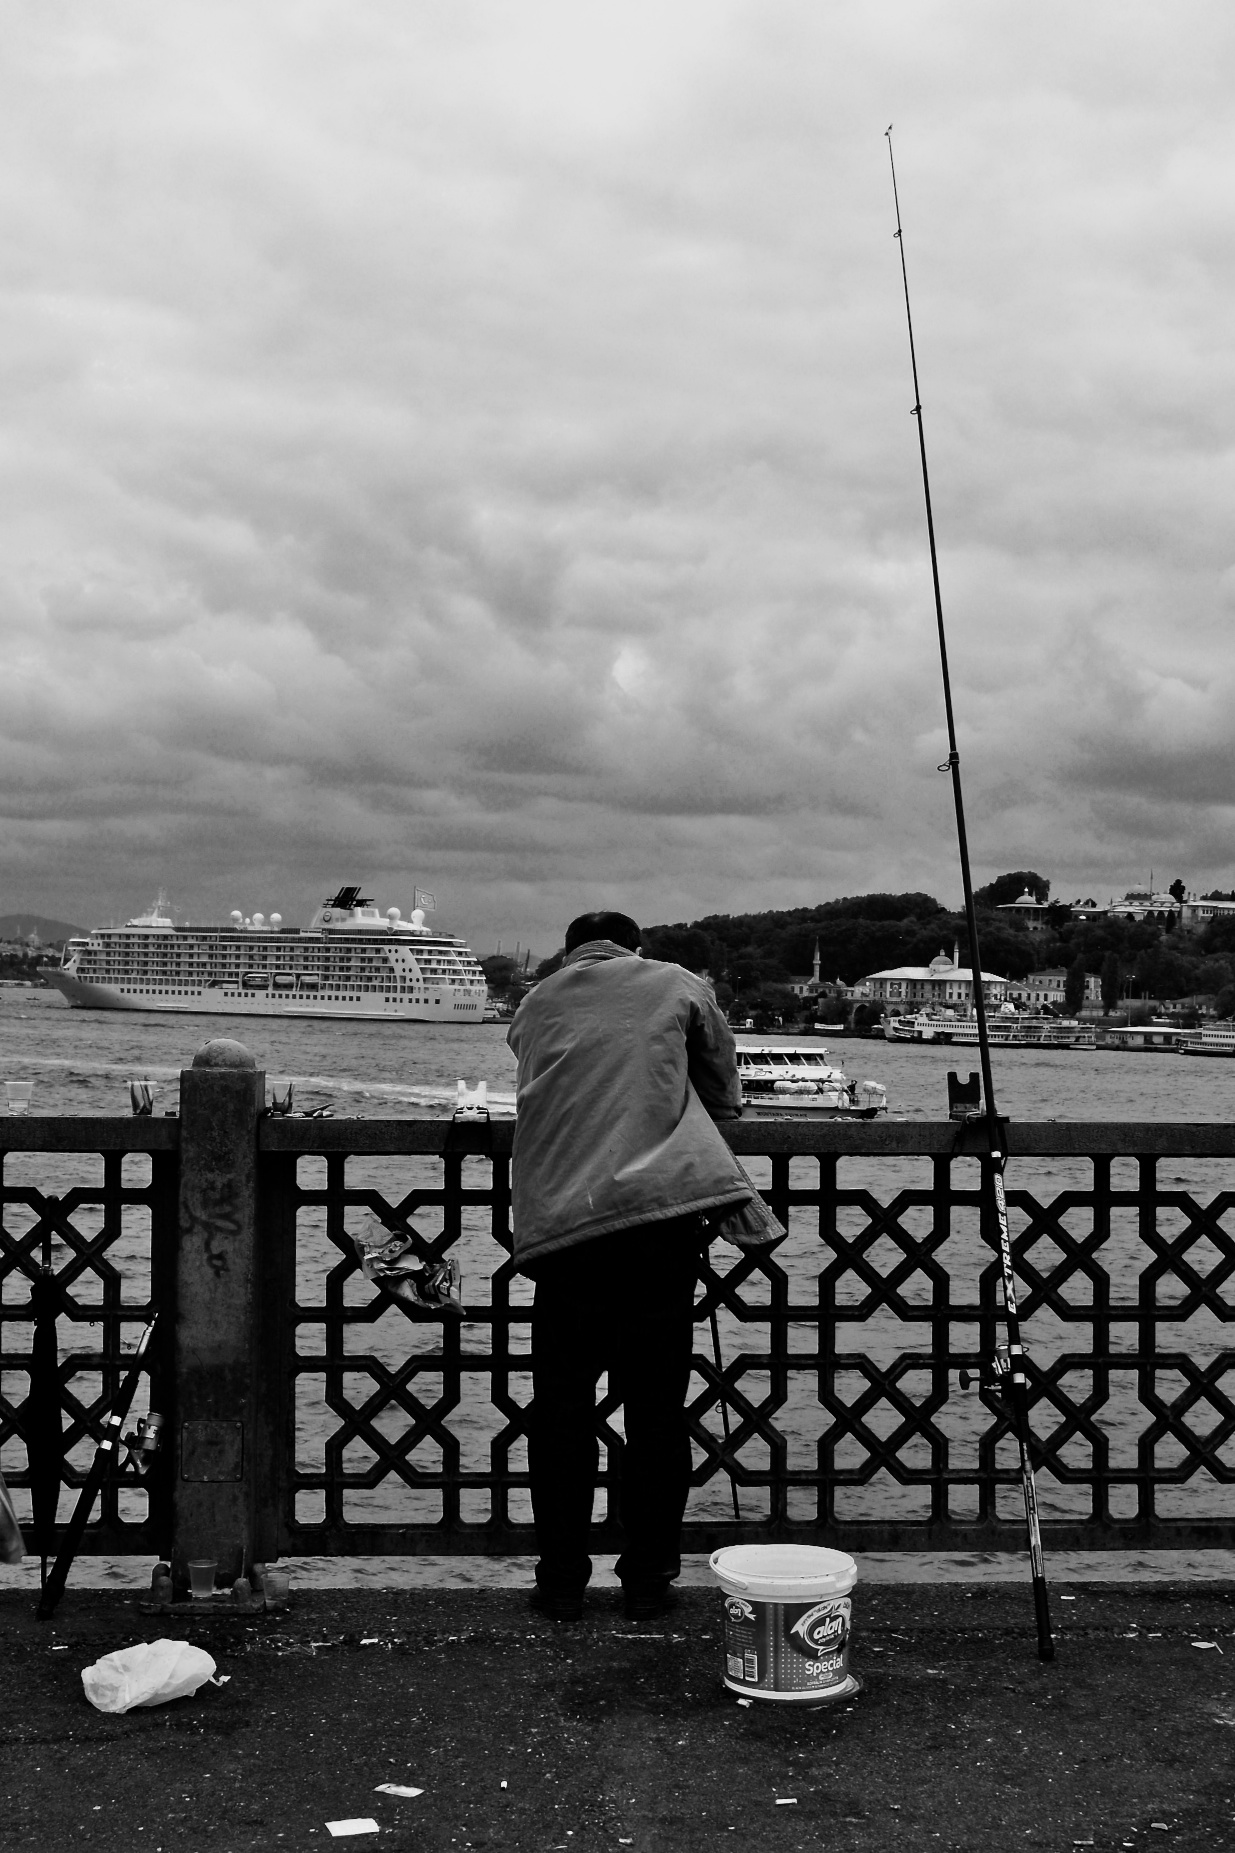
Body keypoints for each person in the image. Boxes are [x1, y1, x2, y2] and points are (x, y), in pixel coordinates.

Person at [507, 908, 759, 1622]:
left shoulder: (537, 998)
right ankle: (647, 1581)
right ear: (634, 947)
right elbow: (722, 1084)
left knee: (560, 1412)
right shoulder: (674, 982)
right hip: (657, 1225)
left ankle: (560, 1582)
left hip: (563, 1226)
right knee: (655, 1412)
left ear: (570, 951)